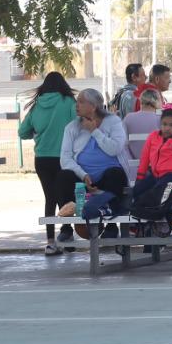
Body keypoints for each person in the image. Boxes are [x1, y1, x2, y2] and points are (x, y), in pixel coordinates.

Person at [53, 88, 130, 251]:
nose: (76, 105)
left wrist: (94, 131)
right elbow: (65, 159)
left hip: (107, 177)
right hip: (82, 178)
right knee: (62, 176)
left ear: (93, 106)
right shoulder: (72, 127)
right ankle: (66, 228)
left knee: (116, 175)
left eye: (81, 101)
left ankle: (111, 226)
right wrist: (83, 175)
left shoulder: (114, 122)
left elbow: (115, 149)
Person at [18, 72, 78, 252]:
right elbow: (77, 125)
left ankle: (50, 242)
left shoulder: (37, 105)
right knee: (66, 196)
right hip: (64, 158)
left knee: (50, 198)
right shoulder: (68, 102)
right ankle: (67, 233)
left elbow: (22, 132)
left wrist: (38, 134)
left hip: (42, 158)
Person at [127, 105, 172, 212]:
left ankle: (163, 208)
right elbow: (145, 157)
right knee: (137, 190)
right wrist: (140, 176)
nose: (167, 128)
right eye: (164, 124)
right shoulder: (153, 137)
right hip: (155, 175)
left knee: (160, 191)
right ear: (160, 124)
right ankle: (142, 210)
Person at [121, 89, 166, 182]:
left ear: (141, 101)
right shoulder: (161, 118)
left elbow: (124, 145)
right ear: (157, 101)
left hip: (134, 167)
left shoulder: (128, 118)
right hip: (158, 168)